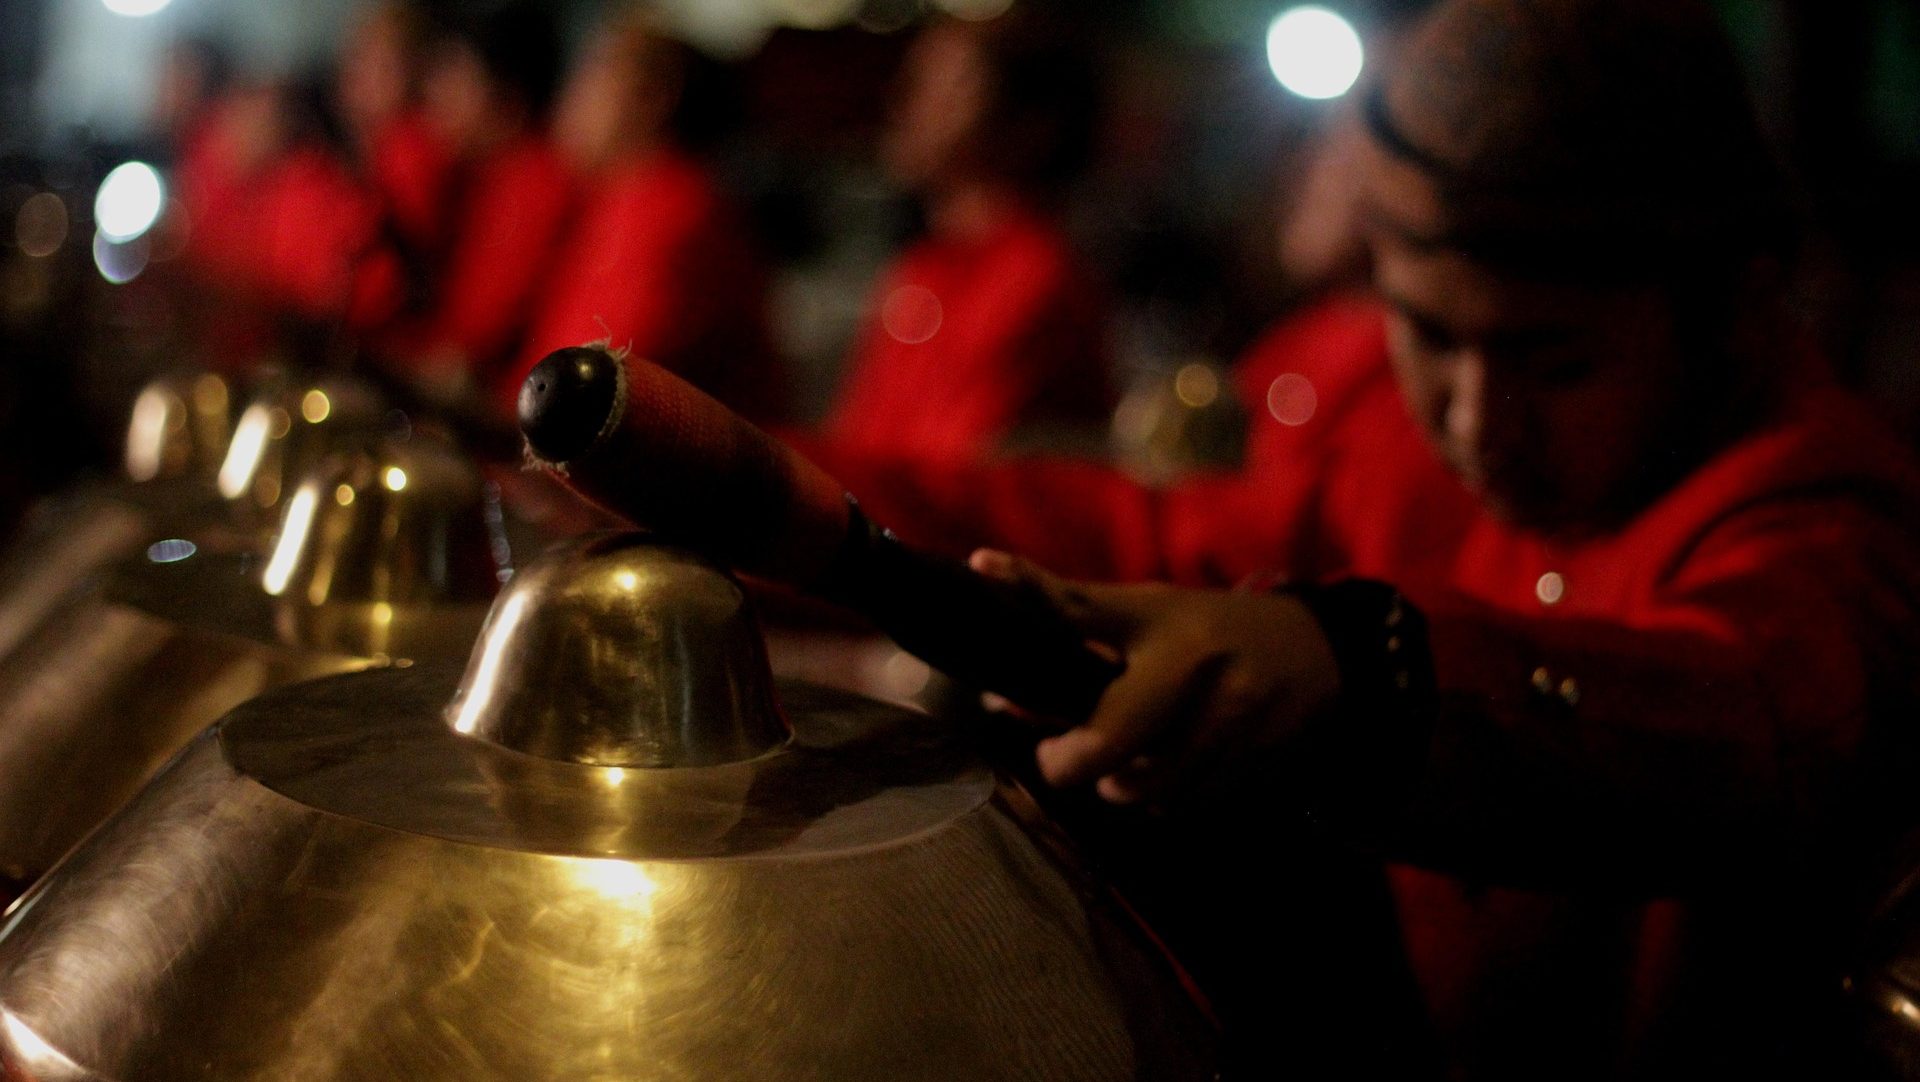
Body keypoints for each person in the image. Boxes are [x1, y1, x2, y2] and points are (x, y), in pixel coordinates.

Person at [788, 0, 1920, 1076]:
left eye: (1558, 361)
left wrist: (1364, 668)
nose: (1478, 421)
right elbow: (1145, 526)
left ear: (1732, 305)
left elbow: (1741, 709)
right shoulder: (1413, 452)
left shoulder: (1821, 495)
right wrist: (760, 485)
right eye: (1427, 333)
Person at [816, 12, 1113, 461]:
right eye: (915, 80)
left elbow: (948, 469)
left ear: (1028, 125)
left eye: (945, 87)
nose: (906, 103)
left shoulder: (1032, 278)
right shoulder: (923, 265)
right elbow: (854, 438)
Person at [499, 13, 781, 424]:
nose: (572, 96)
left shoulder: (674, 211)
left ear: (654, 96)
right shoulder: (617, 198)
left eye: (594, 73)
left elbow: (584, 400)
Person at [368, 3, 574, 402]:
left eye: (456, 77)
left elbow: (470, 342)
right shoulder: (481, 174)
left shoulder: (537, 186)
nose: (436, 93)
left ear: (508, 101)